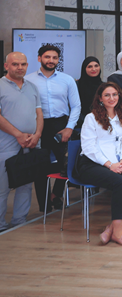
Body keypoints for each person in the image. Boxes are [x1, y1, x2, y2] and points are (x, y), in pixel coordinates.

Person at [78, 82, 122, 245]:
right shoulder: (91, 118)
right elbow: (89, 148)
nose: (111, 98)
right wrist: (109, 164)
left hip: (117, 162)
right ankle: (118, 232)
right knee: (120, 183)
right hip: (91, 164)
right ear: (100, 98)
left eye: (114, 94)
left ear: (119, 97)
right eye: (107, 95)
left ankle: (112, 227)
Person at [24, 44, 80, 213]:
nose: (51, 60)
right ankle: (45, 206)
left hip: (61, 126)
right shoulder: (28, 80)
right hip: (37, 127)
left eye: (54, 57)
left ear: (58, 60)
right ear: (39, 58)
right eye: (47, 57)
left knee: (67, 164)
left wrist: (69, 128)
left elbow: (76, 106)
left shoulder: (67, 79)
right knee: (40, 167)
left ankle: (56, 194)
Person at [0, 52, 42, 231]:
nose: (20, 67)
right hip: (5, 145)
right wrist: (18, 134)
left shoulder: (32, 87)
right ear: (6, 66)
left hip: (30, 144)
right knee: (2, 187)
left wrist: (37, 134)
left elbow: (39, 113)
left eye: (23, 64)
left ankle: (19, 221)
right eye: (15, 64)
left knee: (25, 184)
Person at [77, 56, 103, 121]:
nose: (93, 69)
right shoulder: (77, 85)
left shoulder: (104, 86)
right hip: (81, 121)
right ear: (84, 69)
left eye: (96, 66)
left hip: (101, 120)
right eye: (90, 67)